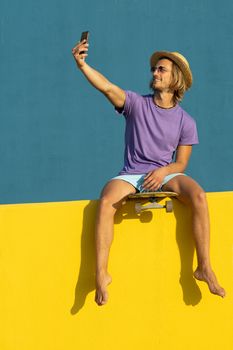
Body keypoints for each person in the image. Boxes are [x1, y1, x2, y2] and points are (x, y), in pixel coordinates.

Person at [72, 38, 226, 306]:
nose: (154, 73)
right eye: (154, 69)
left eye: (161, 69)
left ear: (175, 78)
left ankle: (204, 267)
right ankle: (101, 273)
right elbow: (107, 87)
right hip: (133, 172)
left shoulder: (186, 121)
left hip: (166, 172)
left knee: (199, 196)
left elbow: (181, 164)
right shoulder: (135, 103)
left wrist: (163, 171)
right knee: (107, 200)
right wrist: (82, 65)